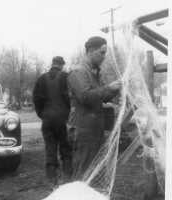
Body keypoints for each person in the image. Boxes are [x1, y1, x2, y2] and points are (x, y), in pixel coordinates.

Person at [67, 36, 122, 179]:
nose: (104, 57)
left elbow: (101, 97)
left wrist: (115, 89)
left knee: (93, 171)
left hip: (95, 129)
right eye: (102, 53)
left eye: (105, 53)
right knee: (83, 172)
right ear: (91, 51)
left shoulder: (95, 72)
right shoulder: (78, 72)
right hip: (84, 130)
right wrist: (108, 87)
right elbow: (85, 97)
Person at [33, 56, 73, 186]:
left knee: (50, 147)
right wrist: (67, 113)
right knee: (65, 147)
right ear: (61, 65)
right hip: (62, 119)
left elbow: (36, 99)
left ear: (52, 64)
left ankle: (52, 179)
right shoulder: (66, 77)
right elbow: (70, 98)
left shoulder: (41, 79)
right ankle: (67, 177)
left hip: (47, 119)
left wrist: (43, 114)